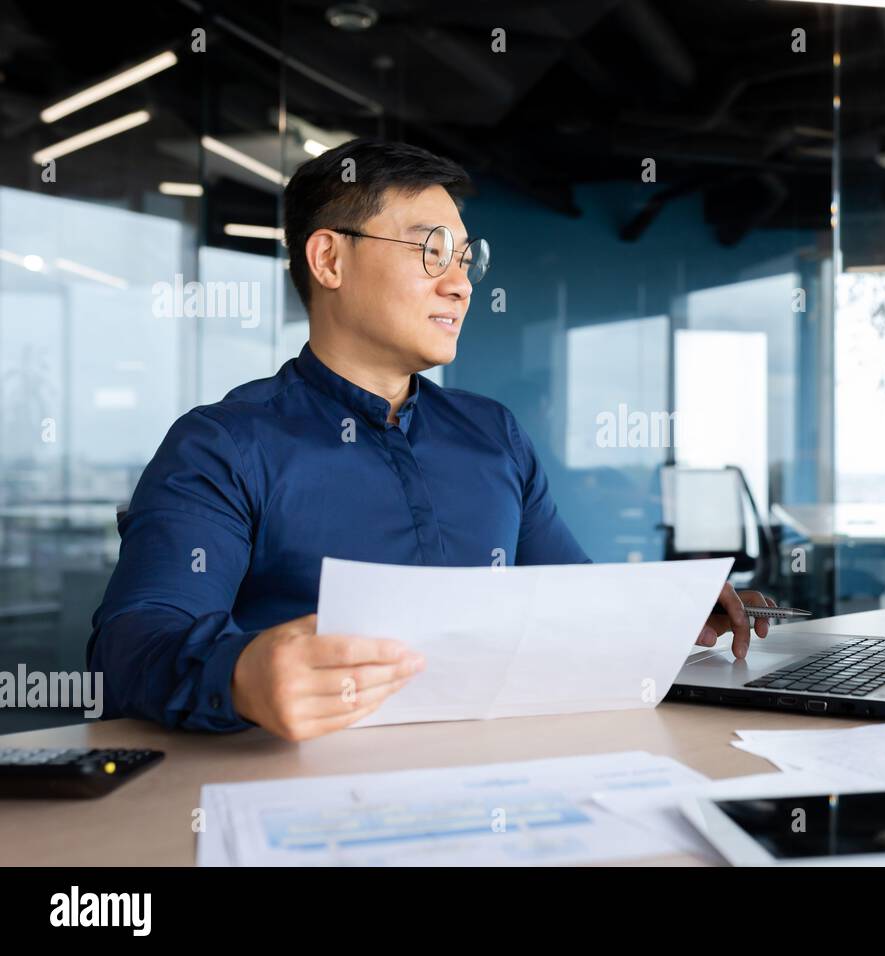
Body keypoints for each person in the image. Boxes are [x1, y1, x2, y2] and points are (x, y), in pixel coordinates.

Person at [88, 139, 773, 740]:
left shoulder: (494, 435)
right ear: (329, 259)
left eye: (467, 258)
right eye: (432, 251)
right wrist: (240, 675)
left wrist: (666, 615)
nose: (461, 284)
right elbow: (129, 648)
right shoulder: (222, 445)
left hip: (499, 789)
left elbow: (571, 603)